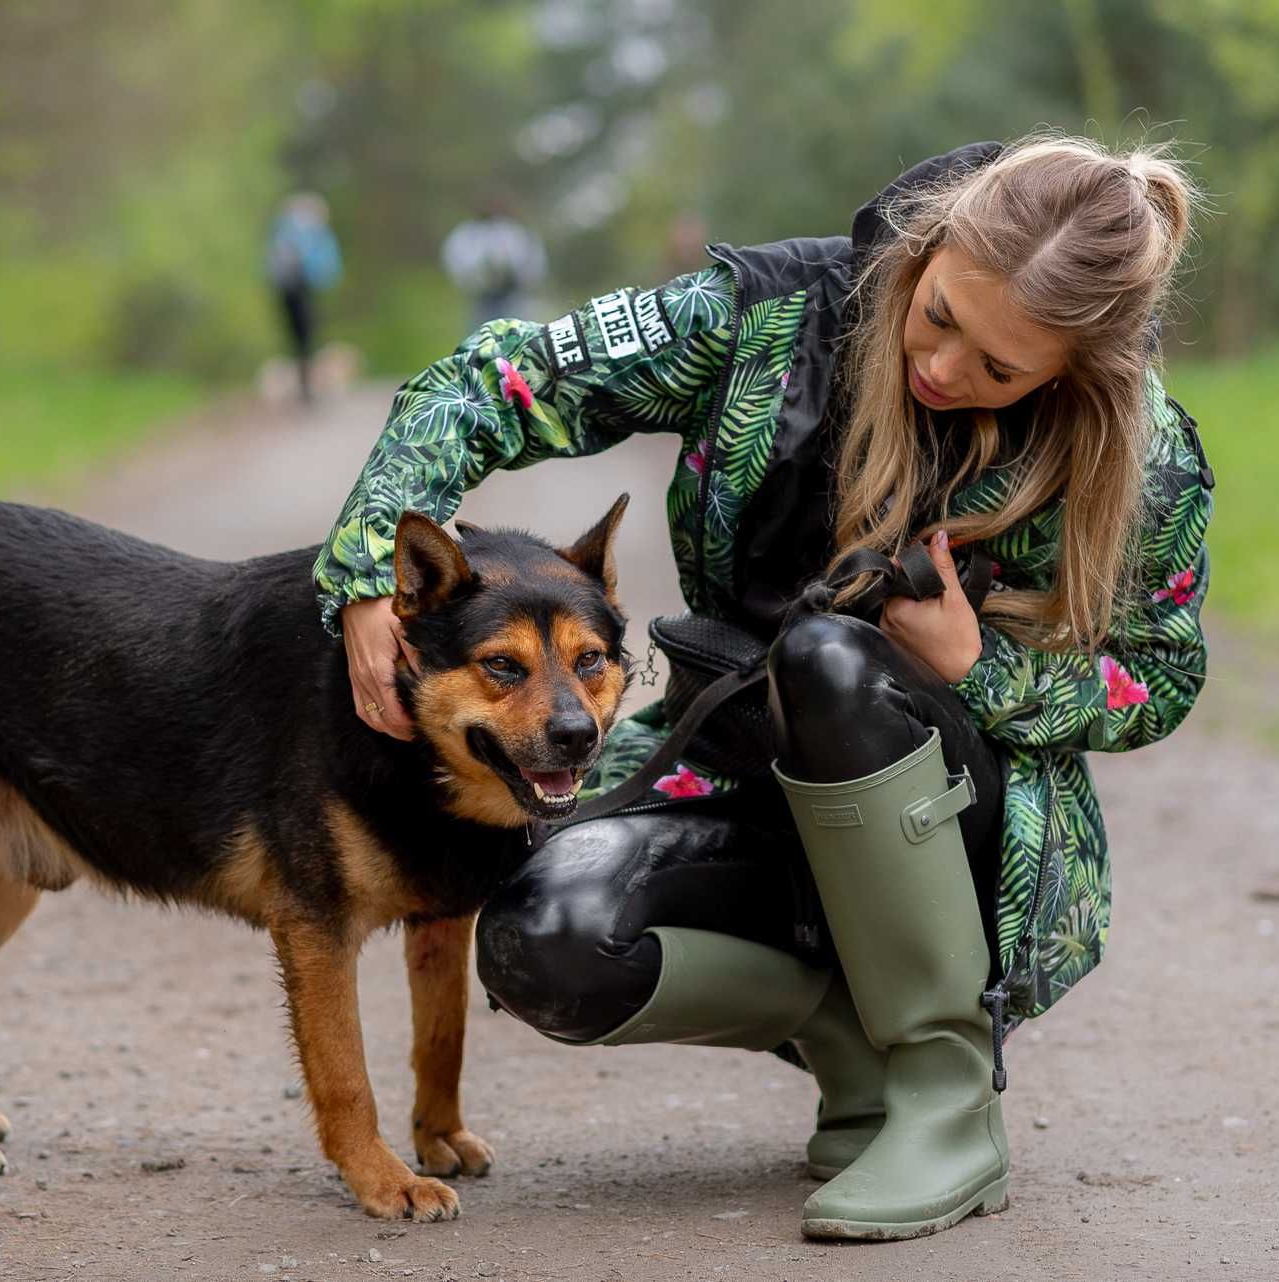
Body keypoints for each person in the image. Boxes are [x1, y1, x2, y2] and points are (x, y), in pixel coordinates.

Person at [313, 135, 1212, 1241]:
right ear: (927, 249)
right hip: (732, 762)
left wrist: (979, 668)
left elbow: (1161, 673)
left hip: (958, 832)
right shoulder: (763, 316)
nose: (944, 370)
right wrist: (364, 572)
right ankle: (851, 1043)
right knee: (543, 937)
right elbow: (493, 382)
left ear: (1070, 372)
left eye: (1000, 369)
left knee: (830, 658)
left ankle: (945, 1089)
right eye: (939, 317)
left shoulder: (1135, 442)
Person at [265, 192, 342, 402]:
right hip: (303, 291)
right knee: (307, 338)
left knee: (302, 339)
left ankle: (309, 383)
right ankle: (309, 384)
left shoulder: (284, 232)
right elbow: (328, 266)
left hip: (293, 291)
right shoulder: (312, 234)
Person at [440, 197, 549, 329]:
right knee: (481, 334)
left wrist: (524, 279)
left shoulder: (513, 231)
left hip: (512, 295)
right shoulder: (467, 234)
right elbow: (456, 260)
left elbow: (531, 259)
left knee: (514, 332)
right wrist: (473, 280)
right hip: (481, 297)